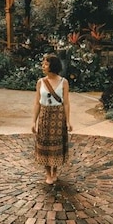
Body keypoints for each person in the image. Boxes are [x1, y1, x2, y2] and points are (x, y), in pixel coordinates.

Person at [32, 53, 73, 184]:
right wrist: (34, 121)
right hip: (45, 115)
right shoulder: (40, 82)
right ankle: (47, 172)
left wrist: (68, 121)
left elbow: (66, 103)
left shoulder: (63, 82)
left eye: (46, 64)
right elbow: (37, 103)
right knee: (44, 143)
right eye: (43, 63)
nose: (43, 66)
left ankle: (54, 171)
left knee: (56, 144)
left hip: (58, 116)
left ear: (52, 66)